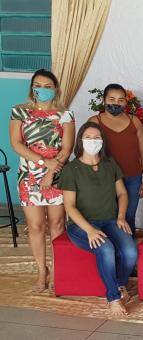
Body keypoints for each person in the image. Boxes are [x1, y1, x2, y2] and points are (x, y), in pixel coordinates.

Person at [59, 122, 138, 317]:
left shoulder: (110, 164)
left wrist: (121, 217)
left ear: (102, 141)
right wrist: (90, 230)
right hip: (82, 226)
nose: (92, 141)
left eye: (96, 138)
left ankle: (119, 284)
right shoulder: (72, 169)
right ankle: (113, 297)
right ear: (80, 140)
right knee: (106, 248)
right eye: (88, 137)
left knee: (130, 251)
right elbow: (69, 206)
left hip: (110, 220)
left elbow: (122, 193)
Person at [8, 69, 75, 292]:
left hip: (57, 175)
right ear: (32, 87)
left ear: (55, 89)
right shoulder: (19, 112)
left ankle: (57, 270)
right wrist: (42, 163)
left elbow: (66, 149)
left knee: (56, 224)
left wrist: (51, 172)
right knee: (36, 226)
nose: (42, 90)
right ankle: (41, 271)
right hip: (28, 177)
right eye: (38, 85)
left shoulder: (65, 115)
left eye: (47, 86)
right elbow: (16, 144)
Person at [88, 83, 143, 237]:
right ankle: (109, 251)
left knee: (128, 217)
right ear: (104, 100)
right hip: (105, 178)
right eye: (112, 99)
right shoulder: (95, 121)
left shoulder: (134, 121)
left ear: (126, 102)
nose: (116, 103)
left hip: (133, 177)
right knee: (106, 216)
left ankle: (128, 254)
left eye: (121, 100)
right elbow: (87, 153)